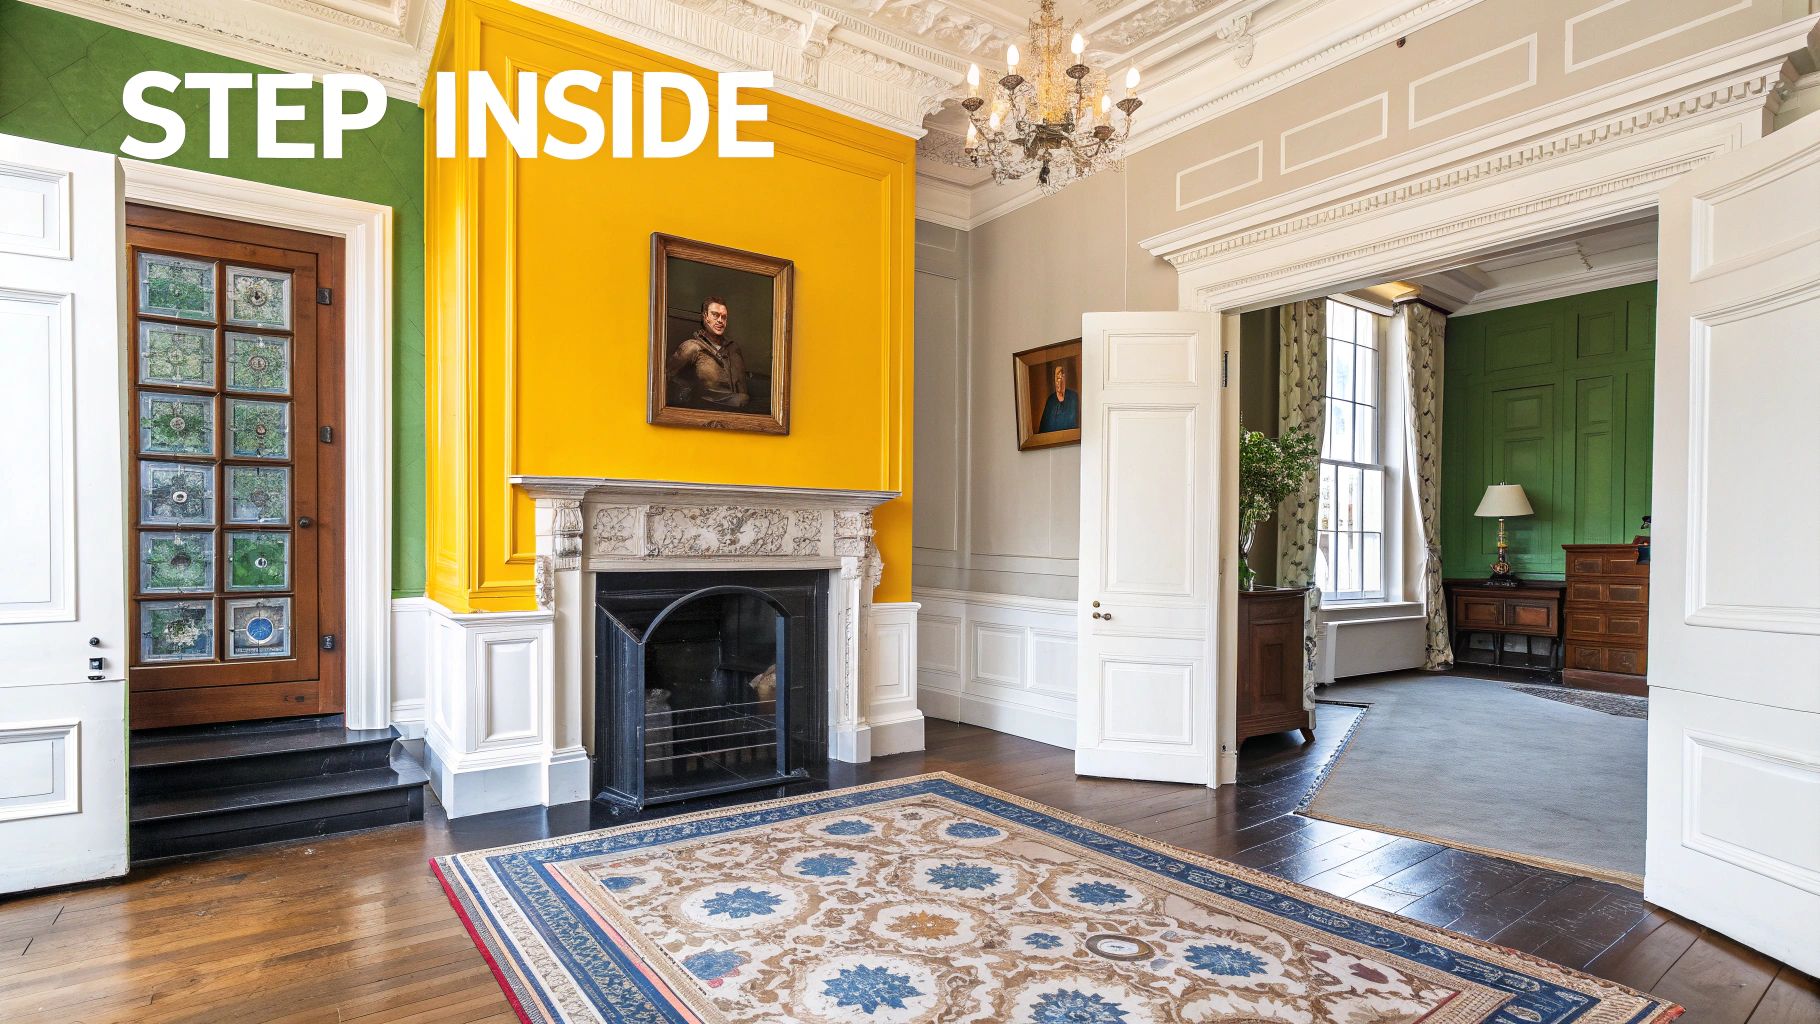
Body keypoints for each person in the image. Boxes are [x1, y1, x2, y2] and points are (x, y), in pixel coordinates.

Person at [666, 296, 750, 409]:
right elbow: (666, 376)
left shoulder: (733, 348)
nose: (720, 320)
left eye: (724, 317)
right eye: (715, 315)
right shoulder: (691, 347)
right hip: (706, 412)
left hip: (739, 413)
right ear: (705, 317)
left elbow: (743, 386)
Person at [1036, 361, 1079, 432]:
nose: (1058, 382)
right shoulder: (1050, 400)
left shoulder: (1073, 397)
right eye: (1056, 378)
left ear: (1064, 378)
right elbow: (1043, 429)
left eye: (1060, 377)